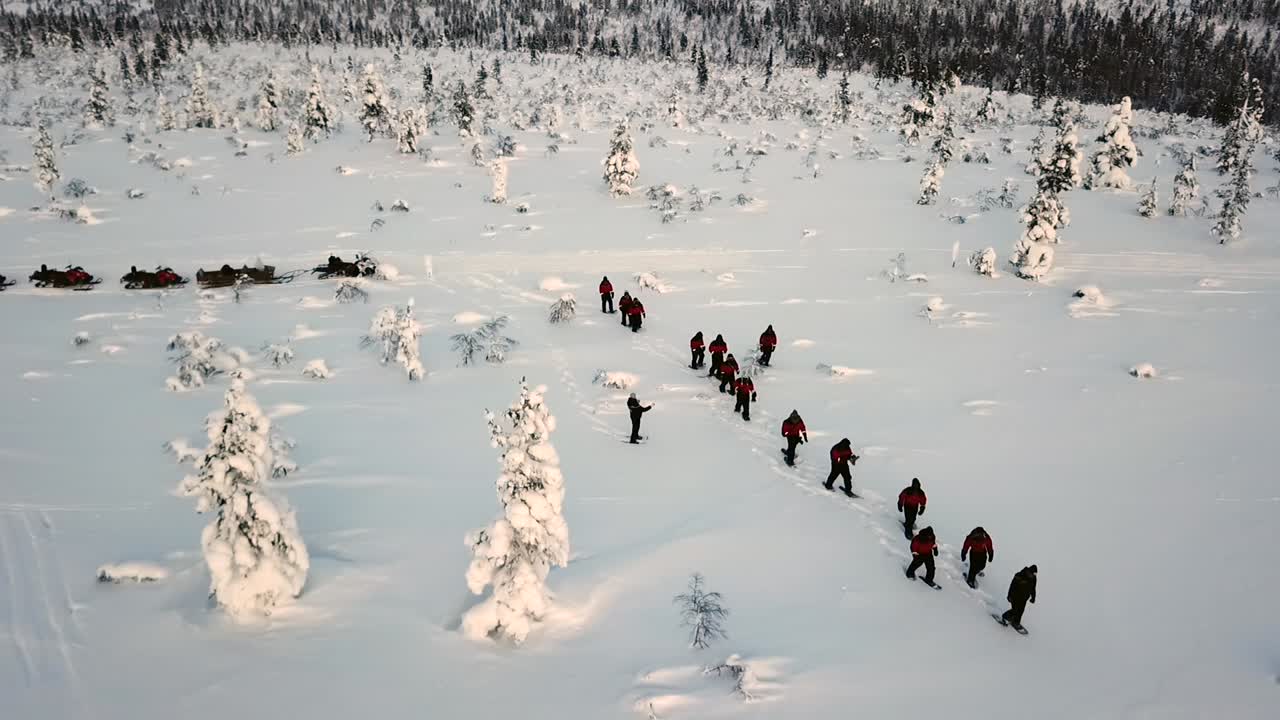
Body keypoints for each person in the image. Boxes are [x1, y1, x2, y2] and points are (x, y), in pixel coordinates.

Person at [1001, 565, 1038, 630]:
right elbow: (1012, 586)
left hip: (1024, 598)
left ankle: (1016, 622)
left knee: (1021, 611)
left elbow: (1033, 588)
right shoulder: (1019, 575)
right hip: (1015, 596)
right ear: (1029, 572)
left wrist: (1033, 597)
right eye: (1032, 574)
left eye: (1035, 574)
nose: (1033, 576)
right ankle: (1005, 617)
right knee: (1015, 610)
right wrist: (1009, 596)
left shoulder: (1033, 578)